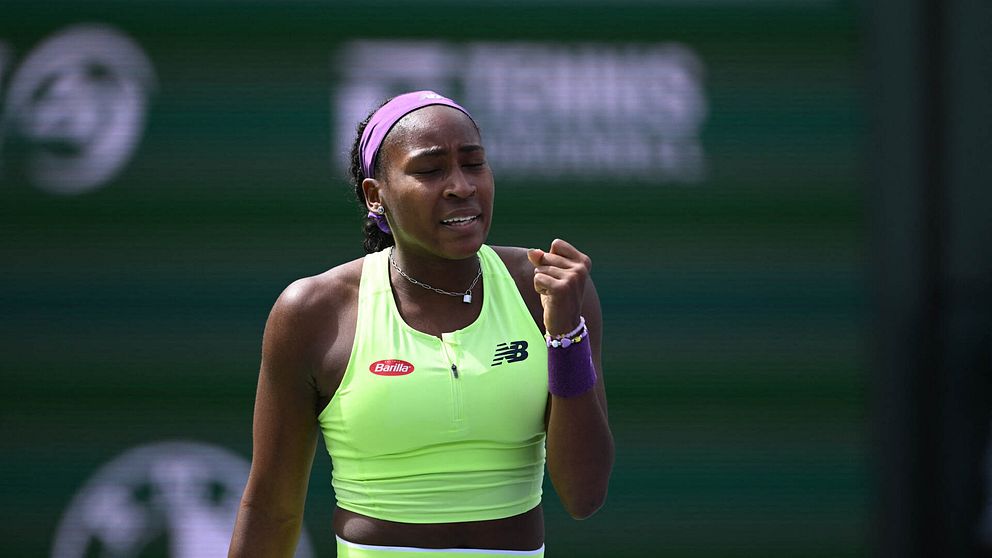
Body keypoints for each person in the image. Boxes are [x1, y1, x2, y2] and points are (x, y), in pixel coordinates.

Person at [229, 91, 614, 558]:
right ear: (376, 195)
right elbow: (272, 509)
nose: (461, 186)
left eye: (474, 164)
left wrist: (566, 336)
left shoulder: (548, 292)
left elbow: (584, 496)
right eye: (430, 170)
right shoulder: (312, 311)